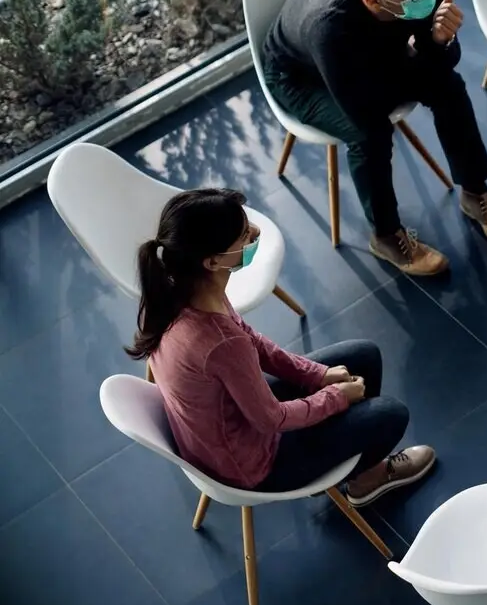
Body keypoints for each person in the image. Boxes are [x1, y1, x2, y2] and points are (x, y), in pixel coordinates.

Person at [128, 188, 435, 506]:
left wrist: (318, 375)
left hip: (225, 426)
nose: (256, 233)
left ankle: (355, 464)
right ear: (213, 261)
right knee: (391, 414)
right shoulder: (219, 341)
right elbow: (270, 420)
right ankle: (365, 479)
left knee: (364, 356)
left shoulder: (184, 291)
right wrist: (334, 398)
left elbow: (253, 342)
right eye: (245, 234)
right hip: (251, 465)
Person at [261, 0, 487, 277]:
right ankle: (385, 236)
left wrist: (438, 42)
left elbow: (446, 62)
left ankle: (476, 194)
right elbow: (365, 108)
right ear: (372, 0)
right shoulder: (330, 29)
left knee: (450, 88)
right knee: (370, 133)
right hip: (302, 78)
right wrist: (419, 55)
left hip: (377, 55)